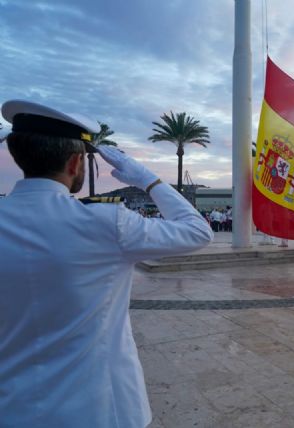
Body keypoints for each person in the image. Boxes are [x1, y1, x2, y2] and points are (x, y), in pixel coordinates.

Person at [0, 100, 213, 428]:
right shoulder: (105, 223)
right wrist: (149, 180)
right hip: (100, 409)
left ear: (18, 153)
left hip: (13, 408)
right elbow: (197, 231)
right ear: (74, 163)